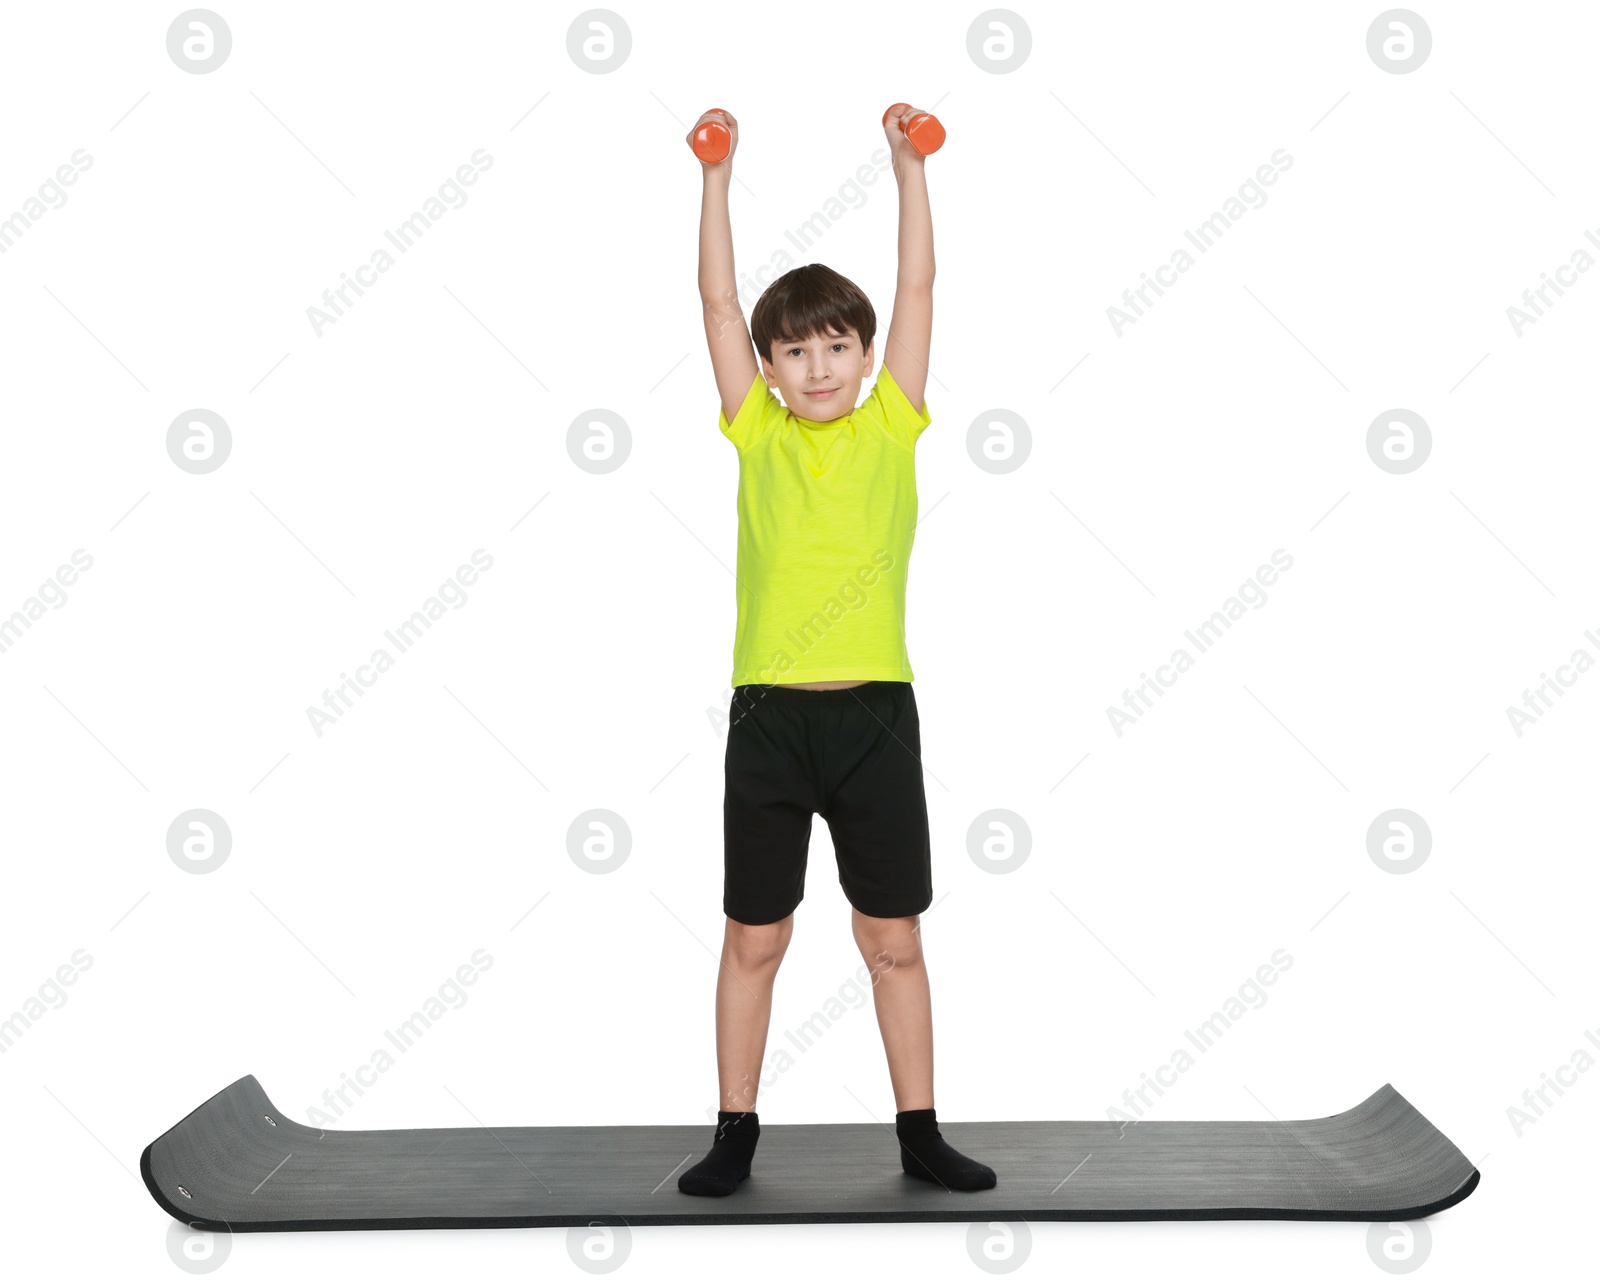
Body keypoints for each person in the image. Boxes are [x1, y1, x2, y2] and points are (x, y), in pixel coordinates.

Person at [678, 105, 995, 1198]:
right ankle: (733, 1133)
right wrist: (716, 178)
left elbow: (919, 288)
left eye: (835, 346)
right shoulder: (755, 427)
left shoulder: (891, 421)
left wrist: (907, 167)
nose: (817, 367)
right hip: (769, 719)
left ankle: (919, 1132)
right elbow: (716, 300)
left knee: (892, 937)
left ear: (864, 355)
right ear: (765, 367)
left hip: (873, 719)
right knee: (754, 939)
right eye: (794, 351)